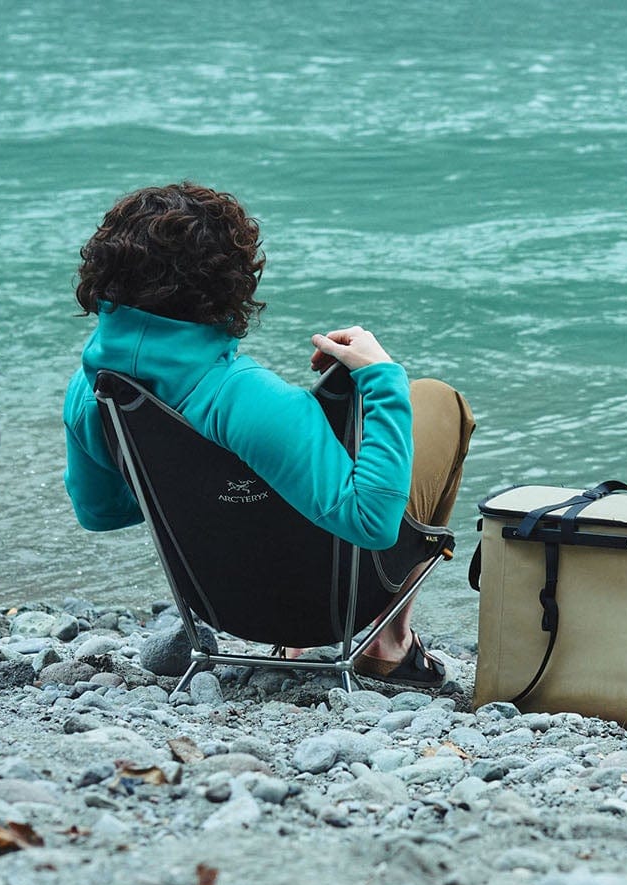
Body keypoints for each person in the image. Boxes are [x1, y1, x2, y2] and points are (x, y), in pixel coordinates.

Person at [62, 182, 473, 689]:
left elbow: (100, 512)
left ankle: (299, 644)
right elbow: (373, 521)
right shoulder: (244, 396)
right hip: (335, 605)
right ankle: (389, 643)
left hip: (221, 607)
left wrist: (205, 484)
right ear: (227, 281)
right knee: (436, 400)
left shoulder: (93, 395)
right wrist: (381, 376)